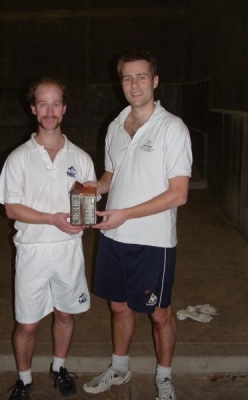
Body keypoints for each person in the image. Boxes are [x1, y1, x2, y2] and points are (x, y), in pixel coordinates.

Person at [83, 51, 192, 400]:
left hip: (153, 240)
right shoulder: (115, 126)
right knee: (118, 306)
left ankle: (163, 376)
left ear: (155, 81)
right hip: (113, 235)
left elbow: (179, 194)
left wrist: (126, 213)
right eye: (128, 78)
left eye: (141, 77)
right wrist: (90, 189)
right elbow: (112, 175)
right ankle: (119, 367)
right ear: (121, 84)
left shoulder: (172, 128)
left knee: (159, 313)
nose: (134, 84)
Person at [0, 77, 97, 399]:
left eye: (55, 104)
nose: (49, 111)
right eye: (43, 104)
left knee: (65, 314)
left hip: (68, 250)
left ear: (64, 109)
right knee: (27, 323)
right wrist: (51, 218)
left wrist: (84, 222)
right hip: (32, 251)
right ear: (33, 108)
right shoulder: (19, 158)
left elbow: (86, 204)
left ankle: (58, 367)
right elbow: (11, 208)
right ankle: (24, 379)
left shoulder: (80, 158)